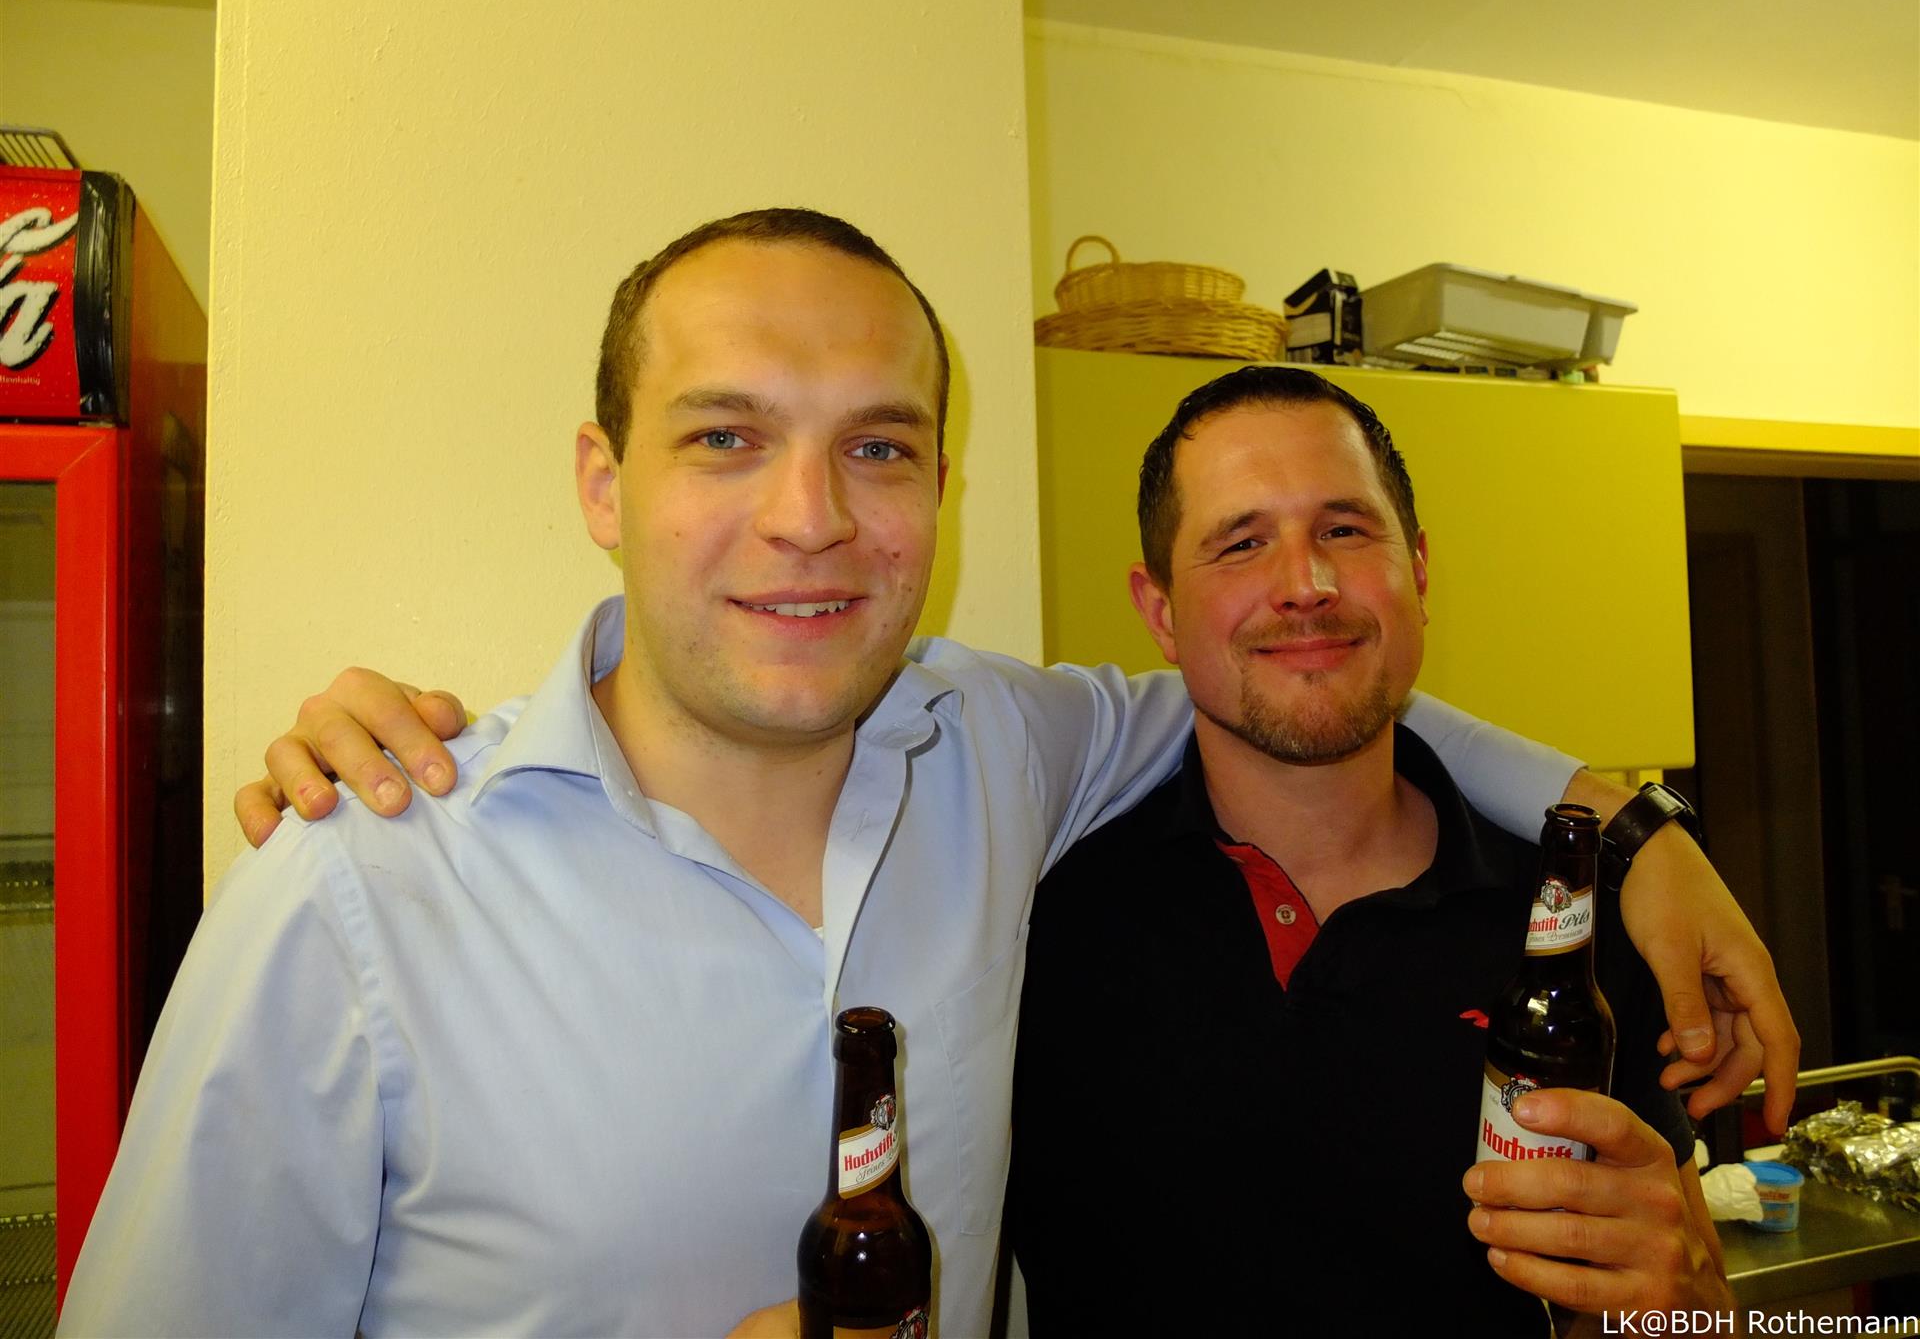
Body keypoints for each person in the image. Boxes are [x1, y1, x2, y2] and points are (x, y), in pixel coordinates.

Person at [64, 209, 1791, 1337]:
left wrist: (1633, 823)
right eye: (725, 436)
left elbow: (1300, 678)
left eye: (878, 448)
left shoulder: (999, 753)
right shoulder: (356, 889)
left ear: (941, 491)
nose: (809, 517)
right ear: (602, 480)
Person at [1008, 367, 1733, 1335]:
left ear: (1418, 572)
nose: (1305, 586)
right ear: (1160, 612)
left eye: (1345, 530)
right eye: (1241, 543)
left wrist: (1686, 1306)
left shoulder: (1579, 927)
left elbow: (1692, 1298)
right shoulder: (1039, 929)